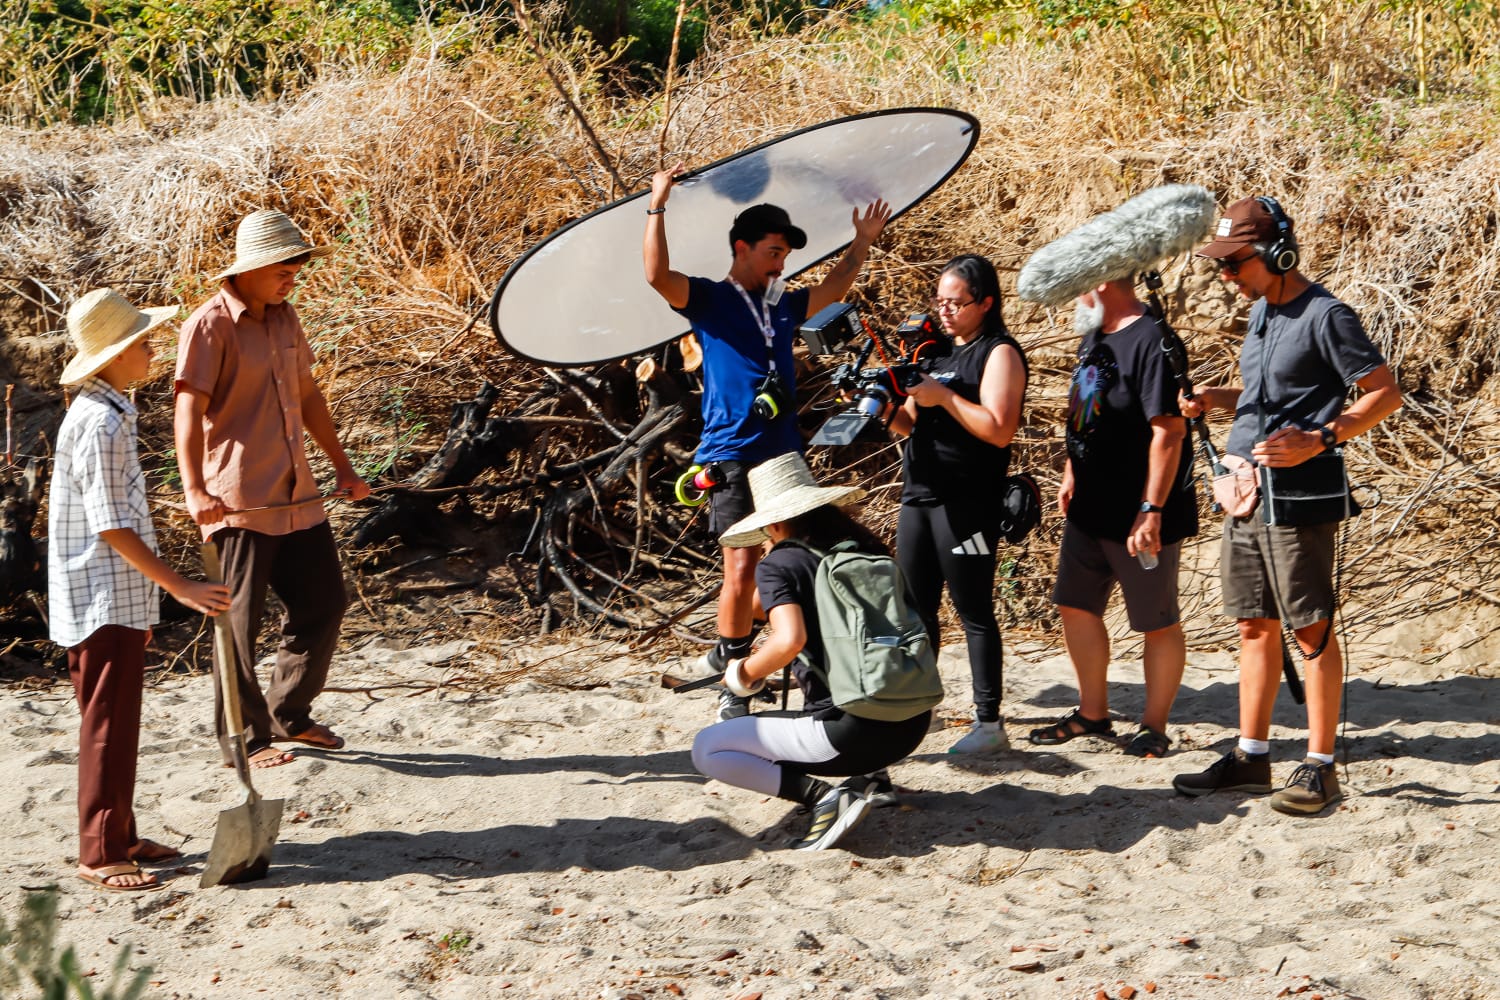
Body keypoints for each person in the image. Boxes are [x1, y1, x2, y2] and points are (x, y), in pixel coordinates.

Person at [1173, 196, 1401, 814]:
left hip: (1298, 497)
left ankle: (1321, 766)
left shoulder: (1327, 315)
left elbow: (1384, 393)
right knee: (1253, 624)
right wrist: (1218, 398)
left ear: (1278, 253)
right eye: (1220, 264)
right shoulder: (1261, 313)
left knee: (1310, 628)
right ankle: (1251, 757)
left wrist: (1320, 438)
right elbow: (1269, 392)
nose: (1226, 274)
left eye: (1235, 262)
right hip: (1245, 492)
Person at [644, 165, 891, 721]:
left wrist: (862, 242)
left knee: (794, 562)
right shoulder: (710, 299)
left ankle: (734, 646)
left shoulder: (780, 302)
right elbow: (657, 275)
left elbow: (833, 290)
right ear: (742, 248)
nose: (781, 263)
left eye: (785, 254)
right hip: (730, 451)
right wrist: (658, 204)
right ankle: (735, 682)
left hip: (783, 456)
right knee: (740, 568)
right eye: (773, 252)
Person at [49, 288, 233, 891]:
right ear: (114, 355)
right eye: (143, 343)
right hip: (102, 594)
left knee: (115, 718)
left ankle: (121, 834)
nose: (153, 350)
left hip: (111, 593)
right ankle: (101, 852)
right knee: (107, 724)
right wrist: (178, 586)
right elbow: (110, 525)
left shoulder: (108, 412)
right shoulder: (102, 422)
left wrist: (146, 602)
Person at [174, 209, 371, 770]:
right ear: (249, 268)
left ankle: (289, 712)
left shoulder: (286, 318)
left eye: (296, 269)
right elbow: (187, 409)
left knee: (324, 603)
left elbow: (307, 395)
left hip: (297, 494)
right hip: (238, 500)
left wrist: (342, 467)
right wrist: (194, 489)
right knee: (238, 626)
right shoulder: (209, 325)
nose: (292, 278)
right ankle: (245, 740)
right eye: (283, 269)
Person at [690, 452, 930, 850]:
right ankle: (874, 778)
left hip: (849, 735)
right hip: (910, 724)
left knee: (709, 747)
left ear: (774, 522)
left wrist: (743, 674)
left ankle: (823, 798)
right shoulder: (866, 549)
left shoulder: (780, 564)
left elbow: (789, 641)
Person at [1027, 278, 1196, 758]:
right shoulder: (1094, 335)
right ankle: (1092, 713)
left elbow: (1169, 432)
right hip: (1090, 505)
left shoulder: (1153, 340)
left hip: (1139, 510)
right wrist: (1071, 469)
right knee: (1075, 605)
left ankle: (1153, 726)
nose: (1073, 291)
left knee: (1156, 621)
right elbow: (1085, 410)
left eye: (1080, 280)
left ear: (1103, 280)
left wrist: (1151, 508)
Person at [886, 254, 1027, 754]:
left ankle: (989, 722)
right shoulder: (936, 353)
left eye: (955, 303)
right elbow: (908, 424)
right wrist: (882, 404)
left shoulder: (999, 353)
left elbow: (999, 429)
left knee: (973, 611)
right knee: (916, 609)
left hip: (967, 500)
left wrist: (944, 398)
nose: (944, 311)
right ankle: (920, 707)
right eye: (939, 301)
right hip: (918, 496)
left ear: (984, 303)